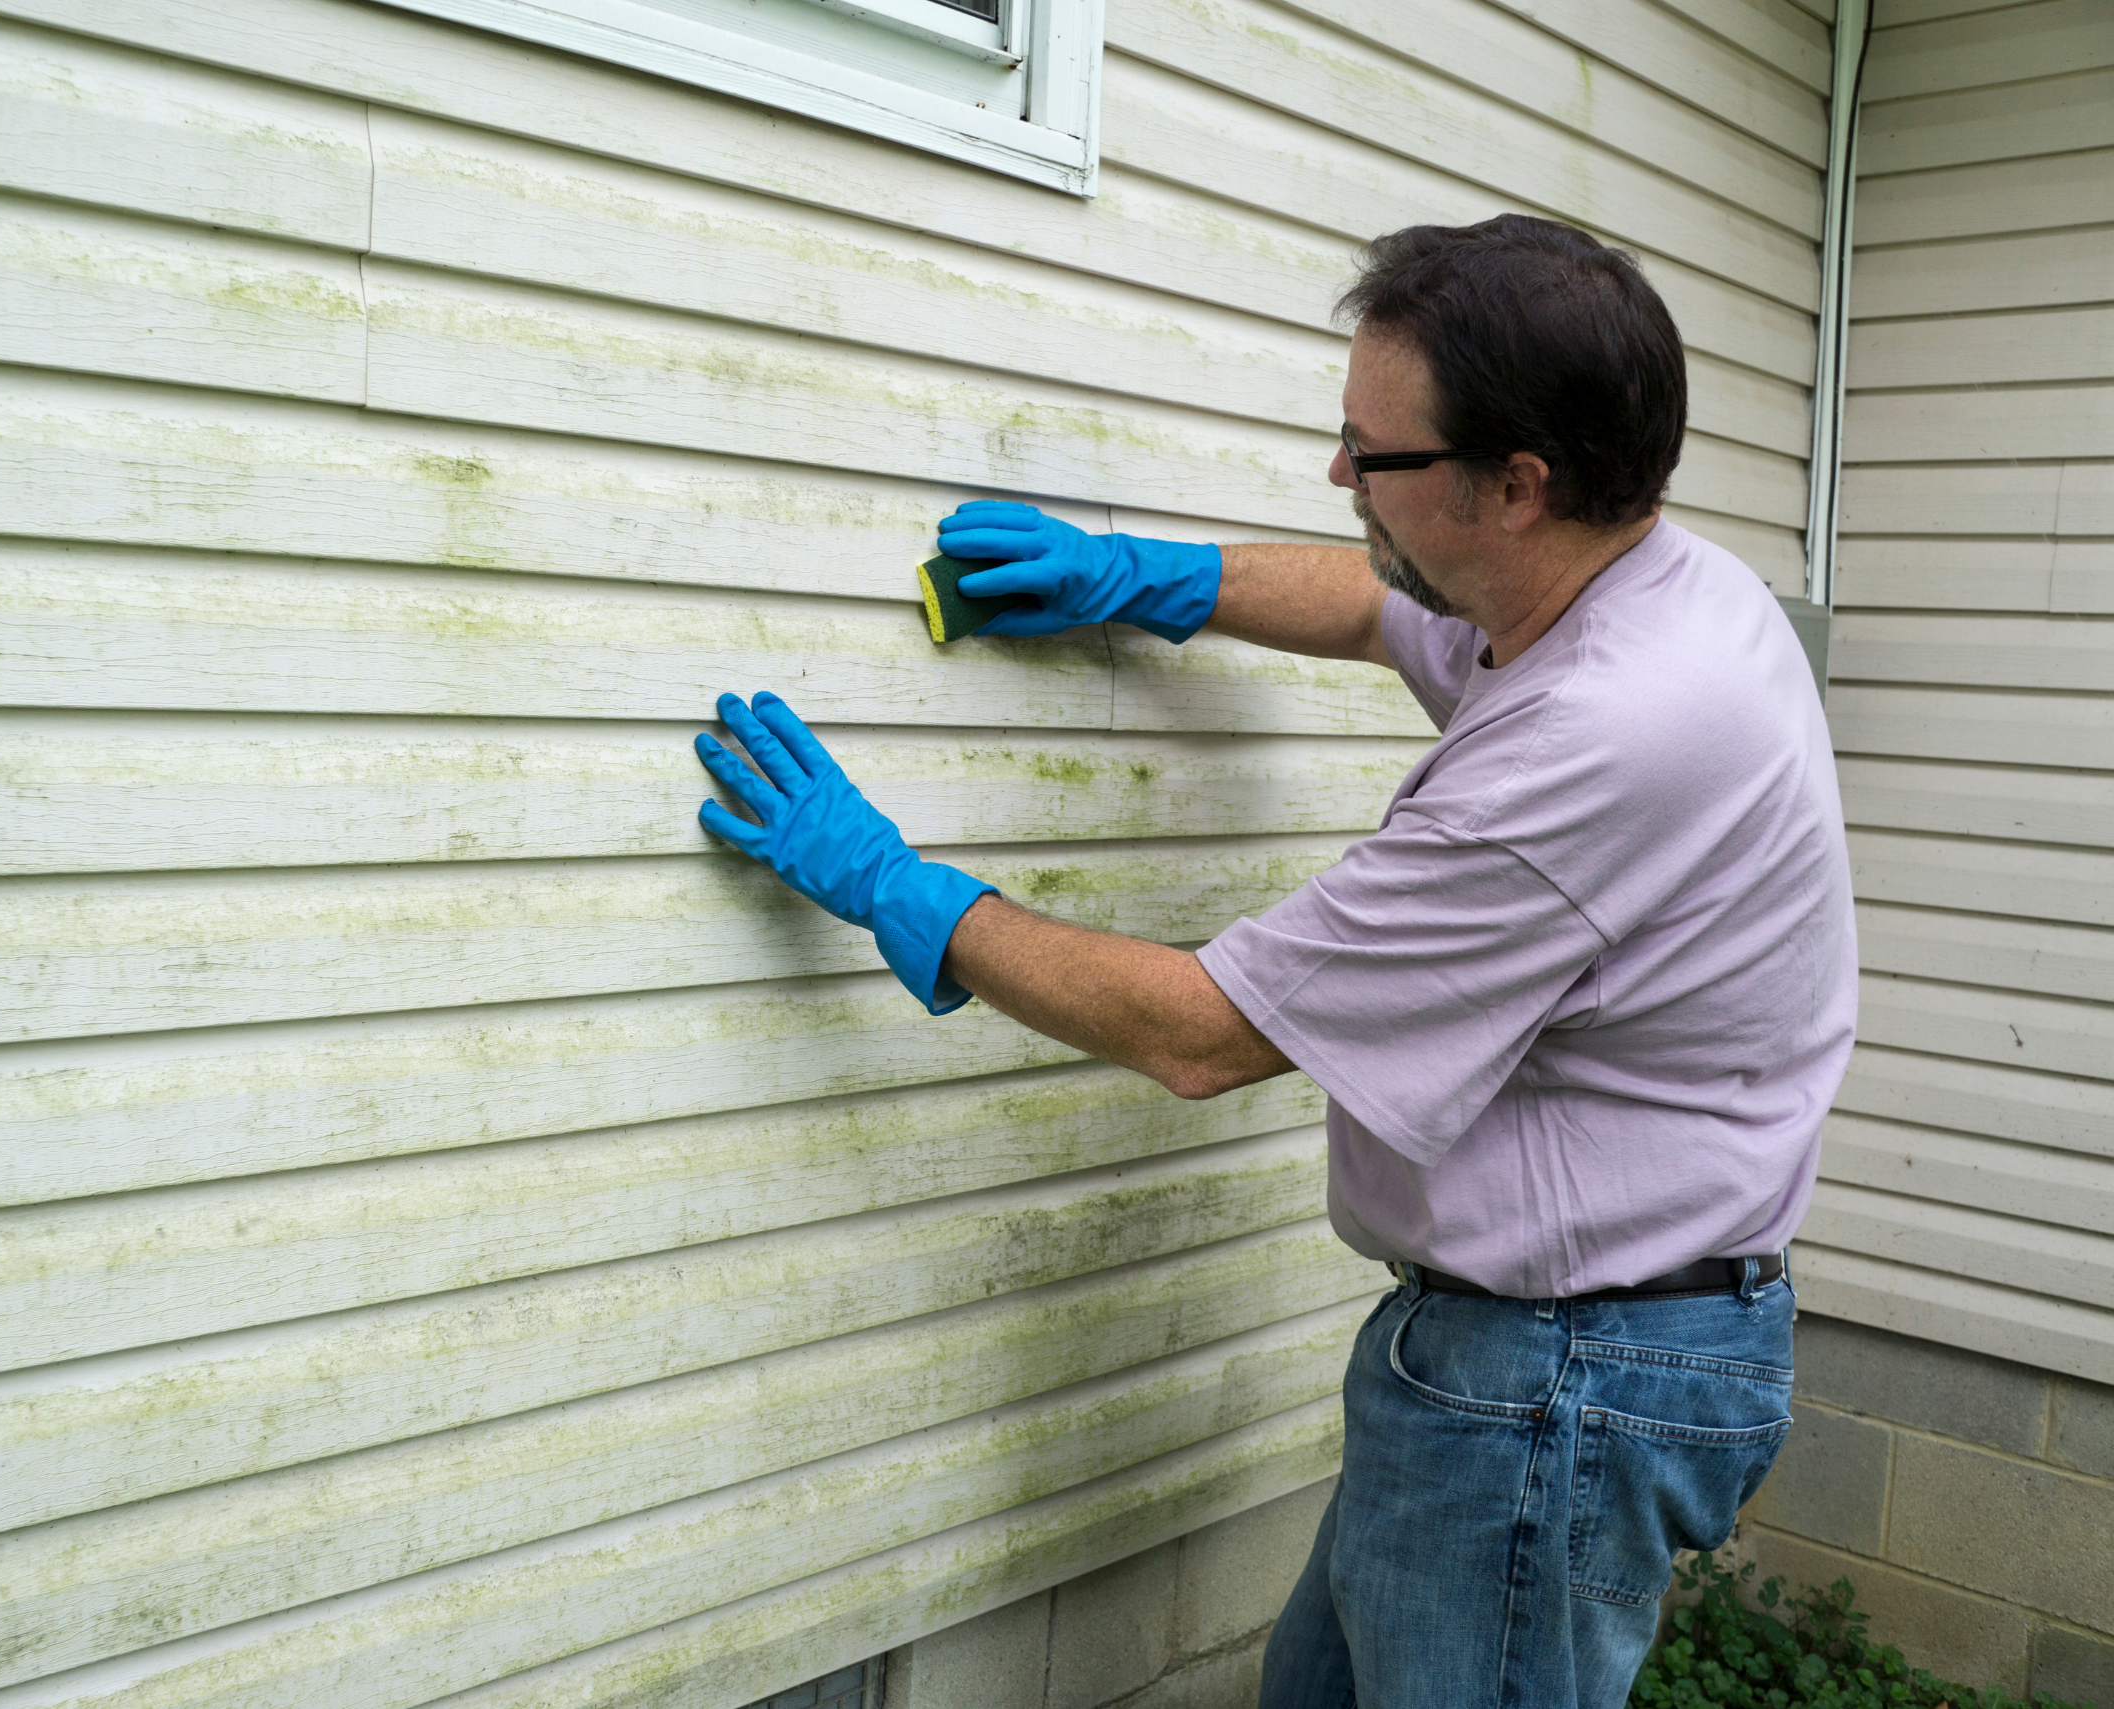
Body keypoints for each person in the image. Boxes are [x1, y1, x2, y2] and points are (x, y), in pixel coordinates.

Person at [691, 213, 1857, 1708]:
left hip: (1560, 1389)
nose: (1339, 478)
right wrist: (1145, 576)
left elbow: (1200, 1033)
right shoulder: (1645, 586)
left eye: (1374, 458)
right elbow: (1384, 606)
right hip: (1547, 1353)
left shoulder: (1597, 746)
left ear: (1518, 486)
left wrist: (890, 886)